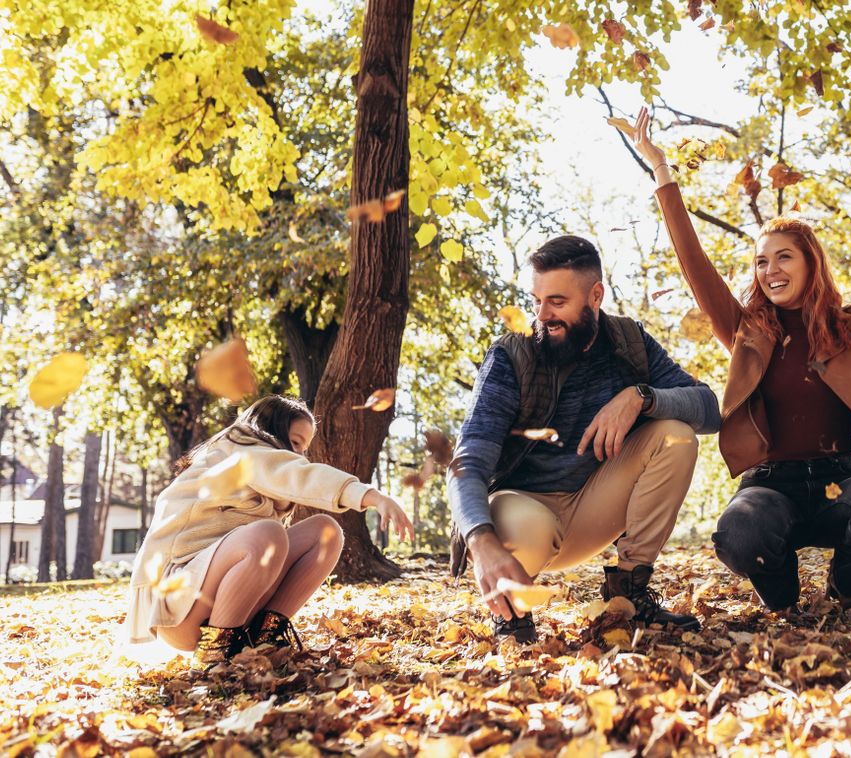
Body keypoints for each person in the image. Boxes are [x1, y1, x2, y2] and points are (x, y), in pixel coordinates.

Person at [632, 106, 851, 611]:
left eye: (783, 257)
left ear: (810, 263)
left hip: (844, 479)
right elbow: (694, 263)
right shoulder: (746, 331)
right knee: (740, 531)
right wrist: (661, 170)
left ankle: (849, 584)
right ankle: (784, 598)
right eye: (761, 261)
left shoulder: (849, 329)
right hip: (771, 489)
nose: (770, 270)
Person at [448, 235, 721, 643]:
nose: (542, 315)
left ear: (596, 296)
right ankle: (511, 615)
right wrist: (480, 540)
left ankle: (627, 599)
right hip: (524, 510)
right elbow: (467, 460)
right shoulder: (511, 355)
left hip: (594, 505)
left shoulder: (629, 343)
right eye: (536, 300)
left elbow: (709, 409)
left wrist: (640, 398)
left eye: (557, 302)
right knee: (522, 526)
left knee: (676, 436)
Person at [125, 395, 414, 663]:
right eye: (296, 442)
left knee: (325, 532)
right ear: (269, 432)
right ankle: (216, 655)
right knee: (268, 536)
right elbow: (300, 475)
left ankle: (262, 639)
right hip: (178, 607)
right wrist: (373, 496)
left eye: (305, 447)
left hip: (223, 596)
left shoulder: (260, 488)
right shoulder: (242, 450)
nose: (301, 455)